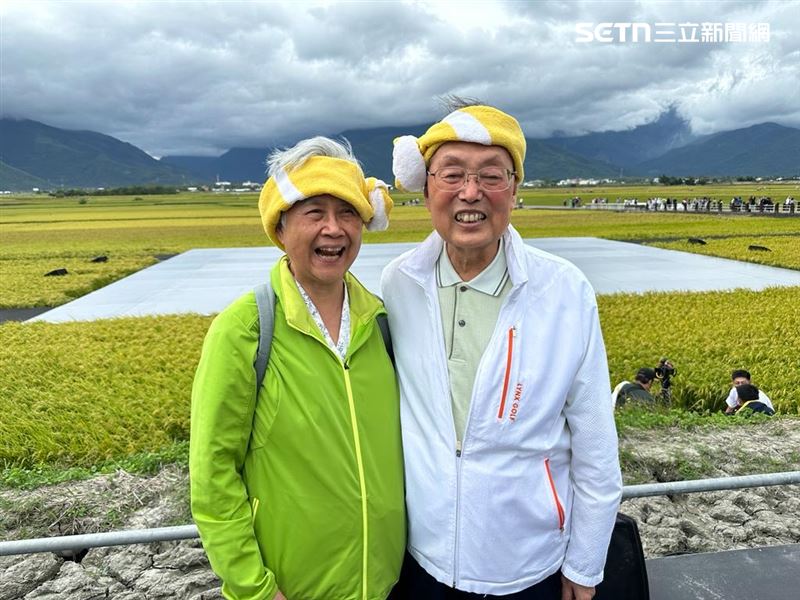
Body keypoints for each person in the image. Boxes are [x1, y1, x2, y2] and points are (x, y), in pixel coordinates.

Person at [382, 102, 622, 600]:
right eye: (451, 174)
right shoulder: (399, 283)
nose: (470, 193)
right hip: (421, 559)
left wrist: (585, 563)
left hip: (530, 565)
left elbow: (596, 444)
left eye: (491, 175)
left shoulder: (564, 291)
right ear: (425, 187)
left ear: (514, 188)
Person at [190, 137, 404, 600]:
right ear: (281, 228)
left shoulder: (383, 324)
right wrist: (255, 591)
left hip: (387, 585)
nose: (334, 229)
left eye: (347, 212)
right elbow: (212, 477)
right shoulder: (246, 329)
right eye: (314, 213)